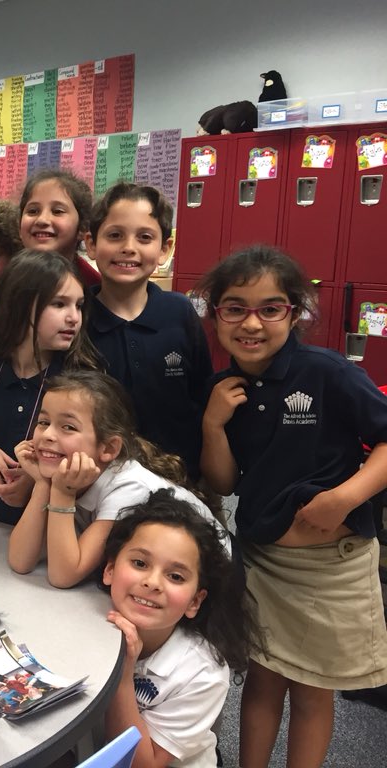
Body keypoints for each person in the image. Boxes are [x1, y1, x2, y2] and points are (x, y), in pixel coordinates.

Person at [197, 245, 387, 768]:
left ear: (294, 311)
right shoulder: (223, 389)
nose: (251, 323)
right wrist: (212, 424)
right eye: (234, 308)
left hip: (333, 568)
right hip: (264, 563)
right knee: (261, 682)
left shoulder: (325, 371)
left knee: (312, 690)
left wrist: (345, 496)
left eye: (270, 308)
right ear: (215, 316)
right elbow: (224, 481)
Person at [9, 370, 229, 588]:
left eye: (68, 427)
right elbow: (20, 560)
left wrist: (62, 493)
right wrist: (41, 484)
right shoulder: (70, 478)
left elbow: (63, 575)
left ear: (109, 448)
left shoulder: (128, 488)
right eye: (44, 422)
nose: (47, 435)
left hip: (214, 586)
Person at [102, 489, 260, 768]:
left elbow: (140, 764)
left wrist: (123, 674)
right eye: (140, 563)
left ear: (195, 601)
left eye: (175, 576)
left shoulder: (203, 673)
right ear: (110, 569)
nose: (152, 582)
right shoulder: (89, 615)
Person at [0, 251, 99, 524]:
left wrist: (37, 482)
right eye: (59, 304)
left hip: (55, 530)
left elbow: (89, 467)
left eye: (79, 306)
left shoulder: (79, 381)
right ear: (19, 306)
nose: (74, 318)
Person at [86, 182, 212, 480]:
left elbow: (202, 394)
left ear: (164, 249)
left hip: (181, 478)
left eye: (145, 237)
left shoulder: (179, 312)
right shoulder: (77, 315)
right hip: (98, 481)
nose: (128, 247)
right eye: (115, 235)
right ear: (91, 244)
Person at [0, 169, 96, 332]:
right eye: (32, 211)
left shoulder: (98, 292)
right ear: (19, 225)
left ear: (82, 227)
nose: (42, 220)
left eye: (57, 211)